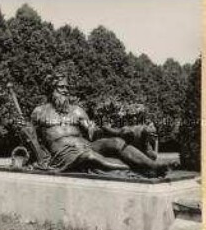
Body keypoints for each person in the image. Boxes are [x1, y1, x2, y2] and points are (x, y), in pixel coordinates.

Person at [31, 72, 176, 177]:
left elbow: (93, 132)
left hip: (85, 146)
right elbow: (31, 137)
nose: (66, 91)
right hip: (63, 154)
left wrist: (115, 131)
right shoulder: (39, 112)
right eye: (61, 87)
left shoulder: (77, 111)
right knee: (89, 156)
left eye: (67, 88)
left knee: (116, 142)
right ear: (51, 89)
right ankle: (139, 169)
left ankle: (152, 166)